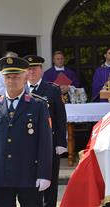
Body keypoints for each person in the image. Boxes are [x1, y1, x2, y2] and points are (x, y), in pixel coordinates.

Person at [0, 57, 53, 207]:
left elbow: (45, 143)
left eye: (16, 77)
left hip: (29, 174)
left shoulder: (38, 105)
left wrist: (44, 174)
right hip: (1, 175)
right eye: (8, 77)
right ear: (2, 78)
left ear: (25, 77)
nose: (11, 81)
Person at [24, 55, 67, 207]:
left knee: (50, 181)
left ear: (41, 70)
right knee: (29, 181)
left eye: (35, 69)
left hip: (50, 143)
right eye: (28, 69)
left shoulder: (52, 89)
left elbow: (61, 118)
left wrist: (61, 143)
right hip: (28, 145)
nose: (31, 72)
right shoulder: (21, 90)